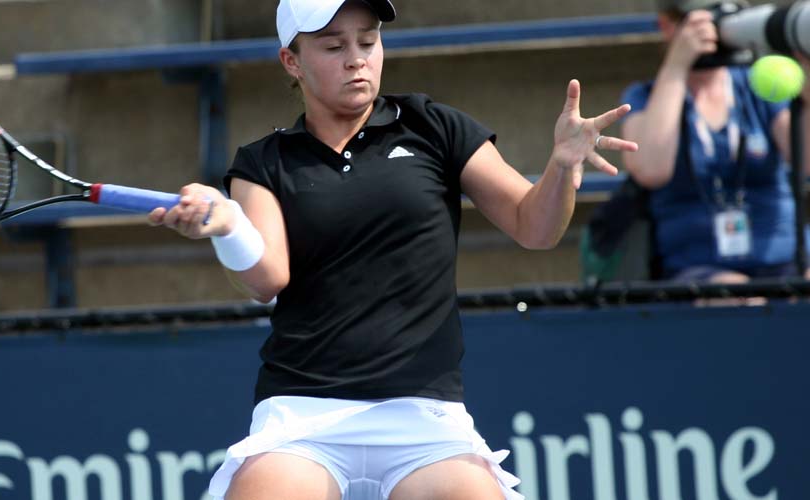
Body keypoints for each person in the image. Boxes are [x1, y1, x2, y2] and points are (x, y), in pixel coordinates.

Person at [148, 1, 636, 498]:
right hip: (303, 414)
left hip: (425, 417)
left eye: (368, 40)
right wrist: (229, 225)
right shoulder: (263, 163)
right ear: (291, 61)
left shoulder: (433, 126)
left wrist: (561, 167)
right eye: (334, 46)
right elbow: (265, 279)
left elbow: (535, 227)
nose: (357, 58)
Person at [620, 0, 810, 285]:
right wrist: (676, 66)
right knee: (738, 297)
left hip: (786, 257)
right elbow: (650, 169)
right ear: (667, 26)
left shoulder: (758, 85)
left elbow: (806, 162)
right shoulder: (646, 96)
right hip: (696, 267)